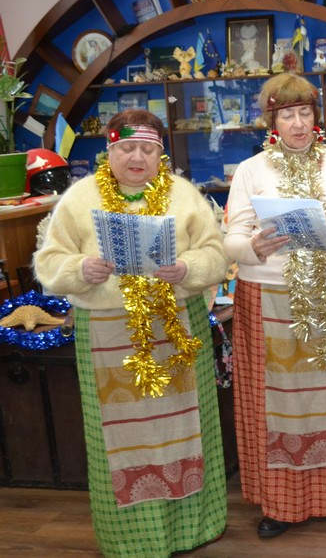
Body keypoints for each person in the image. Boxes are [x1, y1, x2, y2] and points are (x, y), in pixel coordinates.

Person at [34, 109, 228, 557]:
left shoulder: (184, 195)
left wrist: (187, 268)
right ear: (110, 151)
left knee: (186, 429)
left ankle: (191, 528)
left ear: (161, 155)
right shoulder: (80, 198)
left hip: (176, 328)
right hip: (108, 336)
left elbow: (215, 254)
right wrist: (80, 269)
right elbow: (48, 263)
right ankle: (131, 539)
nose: (137, 158)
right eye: (126, 148)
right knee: (121, 439)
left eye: (147, 149)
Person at [223, 73, 326, 539]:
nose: (299, 124)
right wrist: (252, 247)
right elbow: (232, 237)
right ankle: (279, 504)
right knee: (274, 403)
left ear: (315, 116)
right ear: (273, 121)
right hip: (265, 296)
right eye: (288, 115)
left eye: (305, 113)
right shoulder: (251, 170)